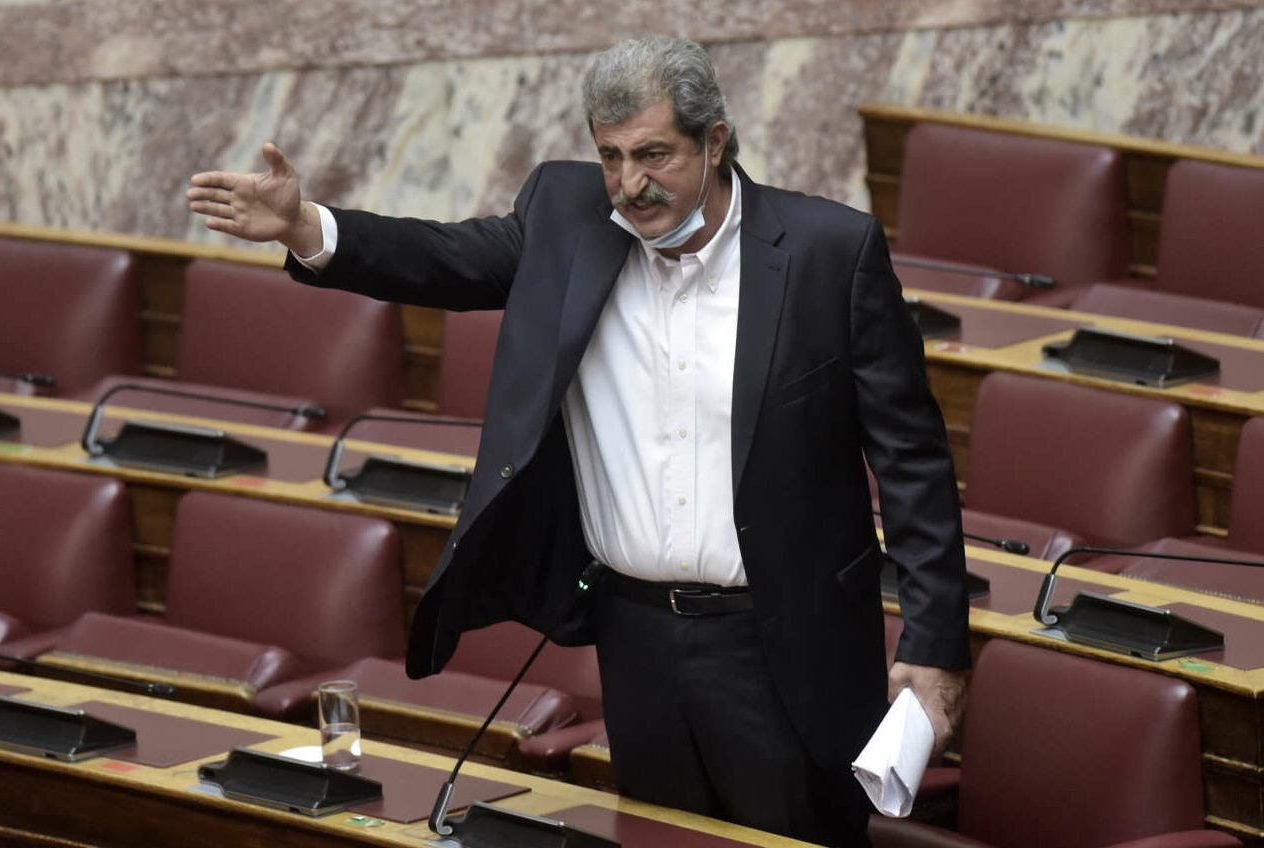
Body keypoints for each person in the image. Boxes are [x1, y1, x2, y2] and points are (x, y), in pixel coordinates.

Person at [188, 35, 970, 847]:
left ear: (714, 141)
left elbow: (911, 461)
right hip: (635, 637)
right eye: (610, 156)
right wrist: (304, 226)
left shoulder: (827, 252)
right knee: (659, 839)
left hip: (784, 641)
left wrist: (935, 645)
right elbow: (442, 257)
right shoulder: (567, 218)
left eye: (654, 155)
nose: (629, 185)